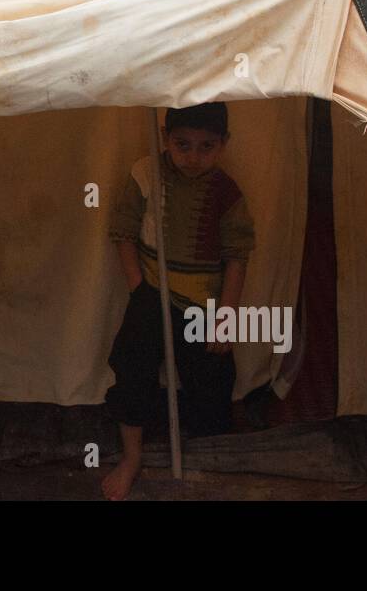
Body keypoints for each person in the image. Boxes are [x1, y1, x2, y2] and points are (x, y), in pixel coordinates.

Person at [100, 102, 255, 500]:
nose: (192, 157)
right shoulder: (145, 173)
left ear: (224, 145)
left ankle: (207, 452)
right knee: (132, 372)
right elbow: (124, 233)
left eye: (206, 147)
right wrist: (140, 291)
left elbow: (237, 257)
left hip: (203, 305)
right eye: (182, 144)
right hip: (151, 294)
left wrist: (226, 318)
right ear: (165, 138)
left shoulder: (227, 193)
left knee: (213, 382)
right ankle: (131, 457)